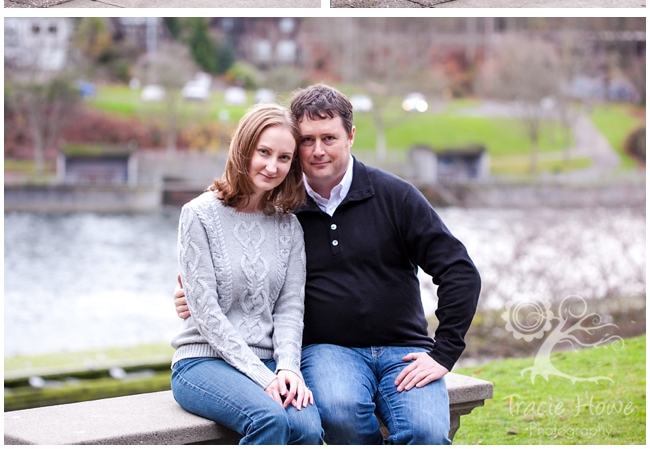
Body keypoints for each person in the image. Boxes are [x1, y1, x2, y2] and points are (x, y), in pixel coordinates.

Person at [176, 85, 481, 445]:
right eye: (307, 140)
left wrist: (444, 353)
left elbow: (460, 271)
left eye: (329, 138)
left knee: (427, 432)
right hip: (326, 351)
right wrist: (190, 296)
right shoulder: (288, 208)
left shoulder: (395, 196)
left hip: (403, 348)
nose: (318, 150)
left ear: (350, 136)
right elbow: (232, 264)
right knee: (338, 414)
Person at [170, 102, 323, 446]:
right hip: (202, 362)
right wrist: (261, 377)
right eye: (264, 152)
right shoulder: (199, 215)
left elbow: (289, 309)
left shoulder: (289, 227)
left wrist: (287, 368)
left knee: (309, 429)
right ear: (243, 149)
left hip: (269, 362)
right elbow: (206, 313)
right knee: (269, 419)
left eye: (284, 158)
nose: (272, 166)